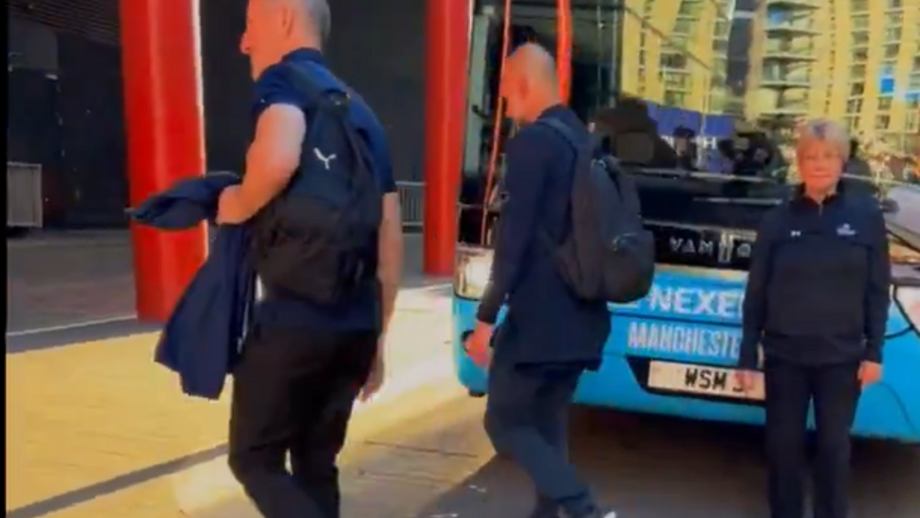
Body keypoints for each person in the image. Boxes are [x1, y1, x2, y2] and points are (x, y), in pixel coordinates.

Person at [216, 0, 404, 516]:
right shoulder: (364, 115)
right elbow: (390, 242)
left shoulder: (282, 84)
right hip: (355, 320)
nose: (243, 42)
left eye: (250, 24)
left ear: (282, 19)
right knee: (316, 464)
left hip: (296, 316)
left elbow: (277, 160)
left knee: (254, 458)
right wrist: (377, 341)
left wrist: (237, 202)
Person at [464, 43, 616, 518]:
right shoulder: (583, 139)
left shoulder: (534, 142)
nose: (508, 105)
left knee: (504, 421)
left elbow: (513, 241)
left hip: (540, 321)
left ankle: (585, 510)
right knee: (548, 427)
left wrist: (485, 320)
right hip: (585, 312)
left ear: (525, 85)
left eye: (508, 93)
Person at [736, 119, 890, 518]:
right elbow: (756, 294)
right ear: (799, 164)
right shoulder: (777, 221)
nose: (819, 164)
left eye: (828, 156)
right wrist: (747, 358)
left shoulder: (866, 216)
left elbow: (877, 288)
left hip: (841, 360)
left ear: (842, 162)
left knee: (833, 452)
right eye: (810, 157)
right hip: (785, 357)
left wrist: (874, 352)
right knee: (782, 451)